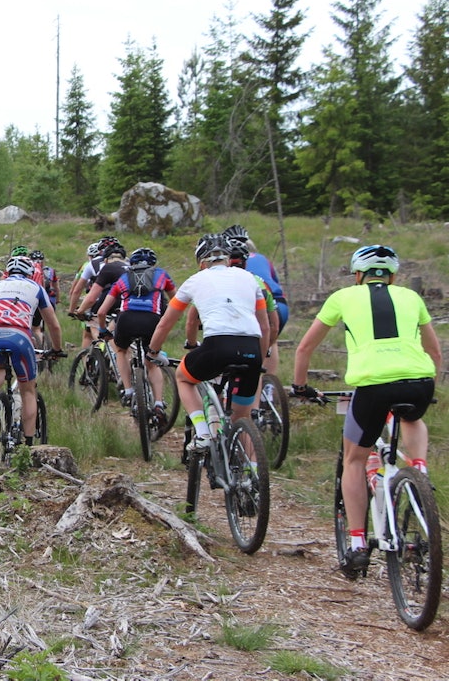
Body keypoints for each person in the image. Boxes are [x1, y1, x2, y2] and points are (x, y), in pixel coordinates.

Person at [292, 244, 440, 579]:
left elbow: (304, 347)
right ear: (393, 275)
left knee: (354, 460)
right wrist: (429, 381)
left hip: (372, 386)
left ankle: (358, 543)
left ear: (358, 274)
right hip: (418, 381)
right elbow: (434, 350)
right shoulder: (411, 297)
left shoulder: (343, 296)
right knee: (412, 417)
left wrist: (300, 386)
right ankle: (419, 472)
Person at [145, 234, 269, 456]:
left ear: (202, 262)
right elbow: (265, 327)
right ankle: (251, 475)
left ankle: (202, 432)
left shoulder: (195, 280)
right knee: (242, 417)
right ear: (228, 259)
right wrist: (259, 361)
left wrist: (153, 352)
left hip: (218, 345)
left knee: (183, 377)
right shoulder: (249, 278)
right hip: (251, 348)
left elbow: (165, 324)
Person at [0, 256, 64, 447]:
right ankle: (28, 445)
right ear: (30, 273)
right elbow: (53, 324)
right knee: (28, 389)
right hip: (19, 335)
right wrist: (57, 349)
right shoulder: (36, 288)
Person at [95, 247, 176, 423]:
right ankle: (159, 403)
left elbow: (102, 312)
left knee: (122, 351)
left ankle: (128, 390)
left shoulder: (123, 278)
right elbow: (176, 301)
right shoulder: (162, 275)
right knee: (152, 363)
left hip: (126, 319)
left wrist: (103, 331)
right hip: (152, 321)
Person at [223, 224, 289, 374]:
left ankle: (252, 389)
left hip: (256, 304)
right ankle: (270, 388)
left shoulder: (227, 262)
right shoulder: (263, 259)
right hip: (280, 305)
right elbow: (274, 283)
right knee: (270, 344)